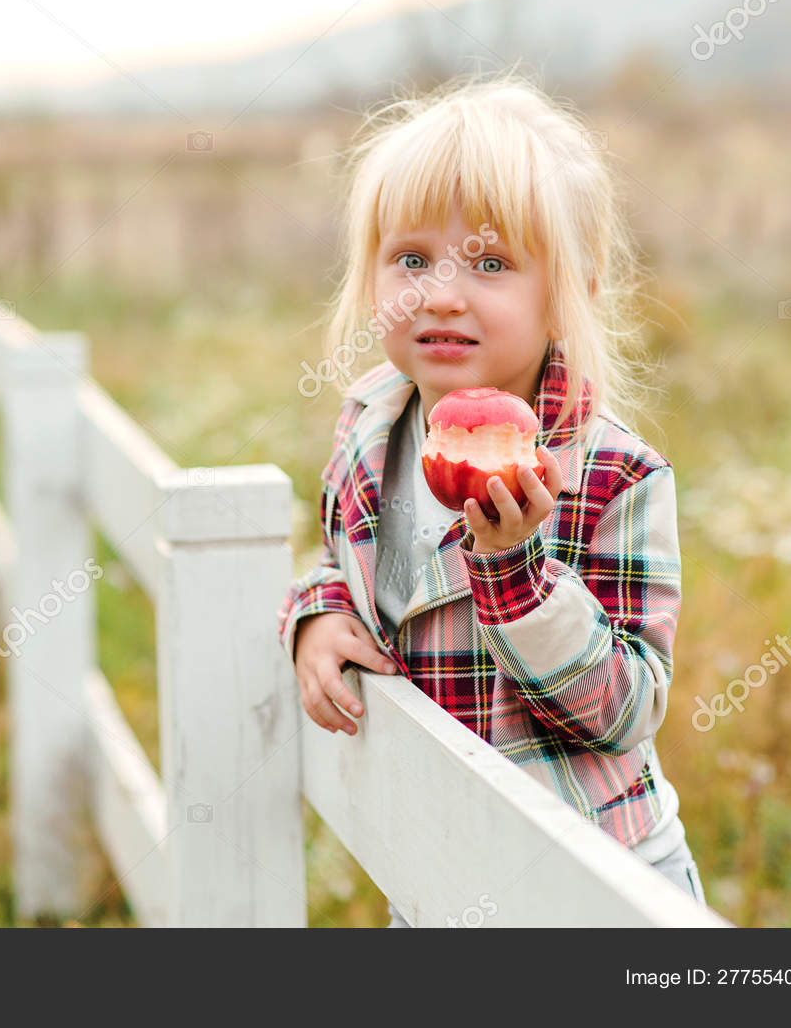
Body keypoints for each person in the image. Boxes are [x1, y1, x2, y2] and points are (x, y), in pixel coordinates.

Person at [275, 72, 706, 927]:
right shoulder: (370, 425)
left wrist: (517, 575)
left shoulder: (611, 473)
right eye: (410, 259)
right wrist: (318, 613)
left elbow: (625, 710)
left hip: (589, 883)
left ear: (566, 292)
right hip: (434, 871)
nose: (440, 292)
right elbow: (340, 559)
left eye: (491, 263)